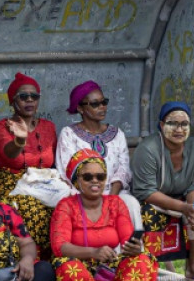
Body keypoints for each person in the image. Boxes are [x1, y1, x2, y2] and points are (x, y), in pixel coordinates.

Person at [51, 149, 157, 281]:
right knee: (68, 268)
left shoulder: (115, 203)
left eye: (100, 176)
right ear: (77, 180)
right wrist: (93, 252)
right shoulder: (66, 205)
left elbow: (126, 239)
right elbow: (60, 247)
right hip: (80, 263)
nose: (95, 181)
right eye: (88, 176)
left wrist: (133, 248)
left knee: (142, 259)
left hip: (109, 263)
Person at [131, 101, 194, 281]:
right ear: (161, 125)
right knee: (150, 215)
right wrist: (184, 208)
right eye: (172, 123)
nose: (179, 129)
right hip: (151, 200)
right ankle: (146, 272)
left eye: (184, 124)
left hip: (181, 199)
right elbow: (145, 191)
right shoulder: (148, 149)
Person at [56, 81, 140, 228]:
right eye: (95, 104)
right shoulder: (68, 134)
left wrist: (111, 198)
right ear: (80, 108)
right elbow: (67, 171)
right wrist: (93, 196)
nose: (102, 107)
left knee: (131, 204)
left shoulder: (117, 133)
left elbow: (123, 169)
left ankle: (133, 249)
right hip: (82, 195)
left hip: (115, 192)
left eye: (104, 102)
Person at [0, 72, 57, 253]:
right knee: (33, 209)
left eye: (34, 96)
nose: (29, 100)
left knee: (67, 206)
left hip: (45, 183)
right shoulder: (0, 126)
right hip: (14, 185)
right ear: (13, 101)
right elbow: (9, 155)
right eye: (23, 96)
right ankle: (40, 257)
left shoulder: (48, 127)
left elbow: (55, 162)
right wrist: (20, 139)